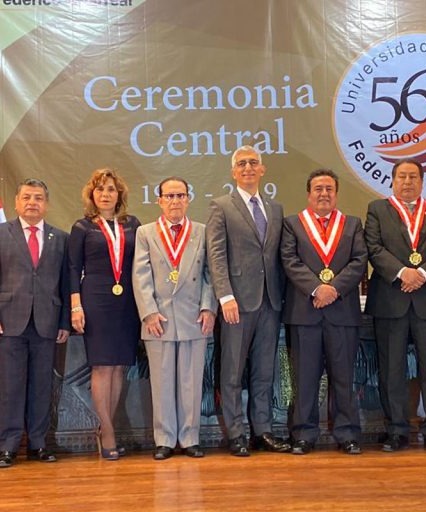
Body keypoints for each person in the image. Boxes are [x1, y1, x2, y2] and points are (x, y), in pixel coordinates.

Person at [364, 158, 426, 453]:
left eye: (413, 177)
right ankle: (396, 431)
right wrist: (403, 273)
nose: (407, 182)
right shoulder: (377, 210)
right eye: (402, 176)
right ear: (392, 181)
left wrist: (423, 274)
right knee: (391, 369)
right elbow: (374, 248)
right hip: (391, 299)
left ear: (422, 181)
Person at [0, 178, 70, 468]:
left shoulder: (60, 238)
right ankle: (7, 446)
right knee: (11, 387)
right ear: (16, 202)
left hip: (47, 324)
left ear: (46, 204)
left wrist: (64, 321)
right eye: (27, 197)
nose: (32, 202)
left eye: (39, 198)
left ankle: (39, 444)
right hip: (8, 324)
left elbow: (66, 286)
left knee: (42, 386)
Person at [205, 145, 290, 456]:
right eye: (241, 163)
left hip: (270, 301)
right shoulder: (221, 206)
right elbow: (216, 256)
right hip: (236, 303)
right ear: (233, 172)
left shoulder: (275, 208)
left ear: (263, 169)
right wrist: (224, 295)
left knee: (264, 371)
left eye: (253, 162)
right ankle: (237, 433)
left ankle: (263, 431)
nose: (248, 168)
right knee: (231, 371)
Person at [280, 169, 367, 455]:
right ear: (309, 193)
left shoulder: (352, 224)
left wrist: (333, 289)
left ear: (336, 193)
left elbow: (359, 261)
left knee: (344, 377)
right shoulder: (292, 224)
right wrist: (318, 289)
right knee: (305, 379)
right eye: (318, 188)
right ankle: (304, 434)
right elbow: (290, 261)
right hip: (305, 313)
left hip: (342, 312)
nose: (324, 194)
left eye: (329, 188)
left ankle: (347, 434)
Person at [132, 176, 216, 460]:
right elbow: (140, 276)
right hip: (160, 319)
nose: (175, 201)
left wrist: (208, 307)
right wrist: (149, 312)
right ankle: (165, 439)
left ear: (188, 199)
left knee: (192, 382)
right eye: (169, 196)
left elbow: (210, 275)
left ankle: (190, 438)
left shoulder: (202, 231)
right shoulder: (146, 233)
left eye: (180, 195)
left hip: (194, 316)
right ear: (159, 200)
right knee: (162, 381)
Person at [68, 169, 141, 460]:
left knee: (118, 367)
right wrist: (76, 306)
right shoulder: (82, 227)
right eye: (100, 190)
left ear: (119, 194)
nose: (105, 194)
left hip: (127, 302)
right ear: (92, 195)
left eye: (111, 189)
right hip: (95, 299)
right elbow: (73, 269)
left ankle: (105, 427)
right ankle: (108, 432)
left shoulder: (133, 224)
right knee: (101, 366)